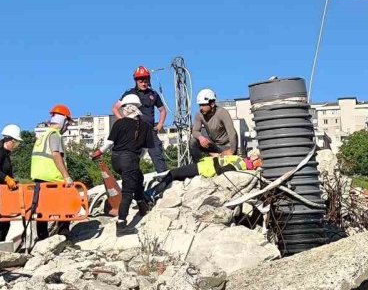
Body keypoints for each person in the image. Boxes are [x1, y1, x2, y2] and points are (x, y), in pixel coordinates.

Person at [92, 94, 150, 234]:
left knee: (138, 177)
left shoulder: (119, 123)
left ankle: (142, 204)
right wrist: (136, 158)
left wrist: (99, 152)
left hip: (116, 160)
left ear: (125, 108)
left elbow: (110, 142)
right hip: (129, 160)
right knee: (127, 192)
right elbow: (145, 149)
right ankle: (121, 224)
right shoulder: (145, 126)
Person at [30, 104, 74, 241]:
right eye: (68, 124)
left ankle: (42, 239)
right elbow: (56, 155)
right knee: (65, 207)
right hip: (53, 178)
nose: (67, 127)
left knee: (42, 211)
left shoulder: (43, 135)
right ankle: (63, 236)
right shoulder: (55, 135)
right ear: (64, 121)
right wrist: (66, 177)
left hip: (39, 178)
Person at [146, 151, 261, 203]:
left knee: (173, 173)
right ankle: (153, 192)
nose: (259, 163)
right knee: (174, 176)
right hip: (204, 167)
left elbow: (222, 170)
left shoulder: (242, 163)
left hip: (204, 169)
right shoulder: (241, 161)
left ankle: (151, 193)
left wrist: (216, 158)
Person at [112, 66, 168, 173]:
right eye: (141, 81)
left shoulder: (153, 94)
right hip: (134, 131)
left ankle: (163, 177)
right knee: (131, 156)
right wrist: (123, 122)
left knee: (156, 152)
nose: (143, 83)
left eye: (145, 80)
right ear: (136, 81)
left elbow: (163, 111)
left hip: (149, 130)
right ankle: (131, 180)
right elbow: (115, 108)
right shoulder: (129, 93)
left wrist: (160, 125)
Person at [0, 124, 22, 242]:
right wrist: (6, 178)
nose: (16, 145)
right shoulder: (0, 152)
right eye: (15, 142)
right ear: (9, 140)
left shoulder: (6, 154)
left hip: (3, 192)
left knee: (5, 223)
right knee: (1, 224)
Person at [191, 88, 238, 161]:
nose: (201, 107)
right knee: (193, 141)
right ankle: (198, 166)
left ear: (212, 104)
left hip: (227, 146)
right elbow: (195, 131)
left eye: (203, 105)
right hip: (214, 145)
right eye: (200, 105)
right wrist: (201, 138)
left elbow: (232, 133)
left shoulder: (222, 113)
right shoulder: (199, 114)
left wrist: (232, 151)